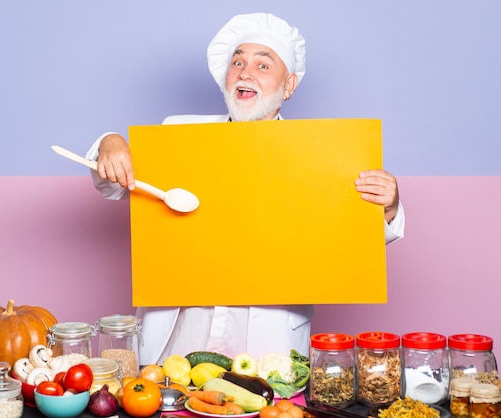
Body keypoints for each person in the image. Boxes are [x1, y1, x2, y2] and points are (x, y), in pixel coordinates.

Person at [86, 12, 405, 366]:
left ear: (289, 85)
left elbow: (350, 241)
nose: (245, 72)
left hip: (269, 343)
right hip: (180, 335)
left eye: (262, 65)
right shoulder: (177, 135)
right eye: (237, 62)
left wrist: (388, 207)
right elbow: (114, 186)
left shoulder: (320, 156)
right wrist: (110, 143)